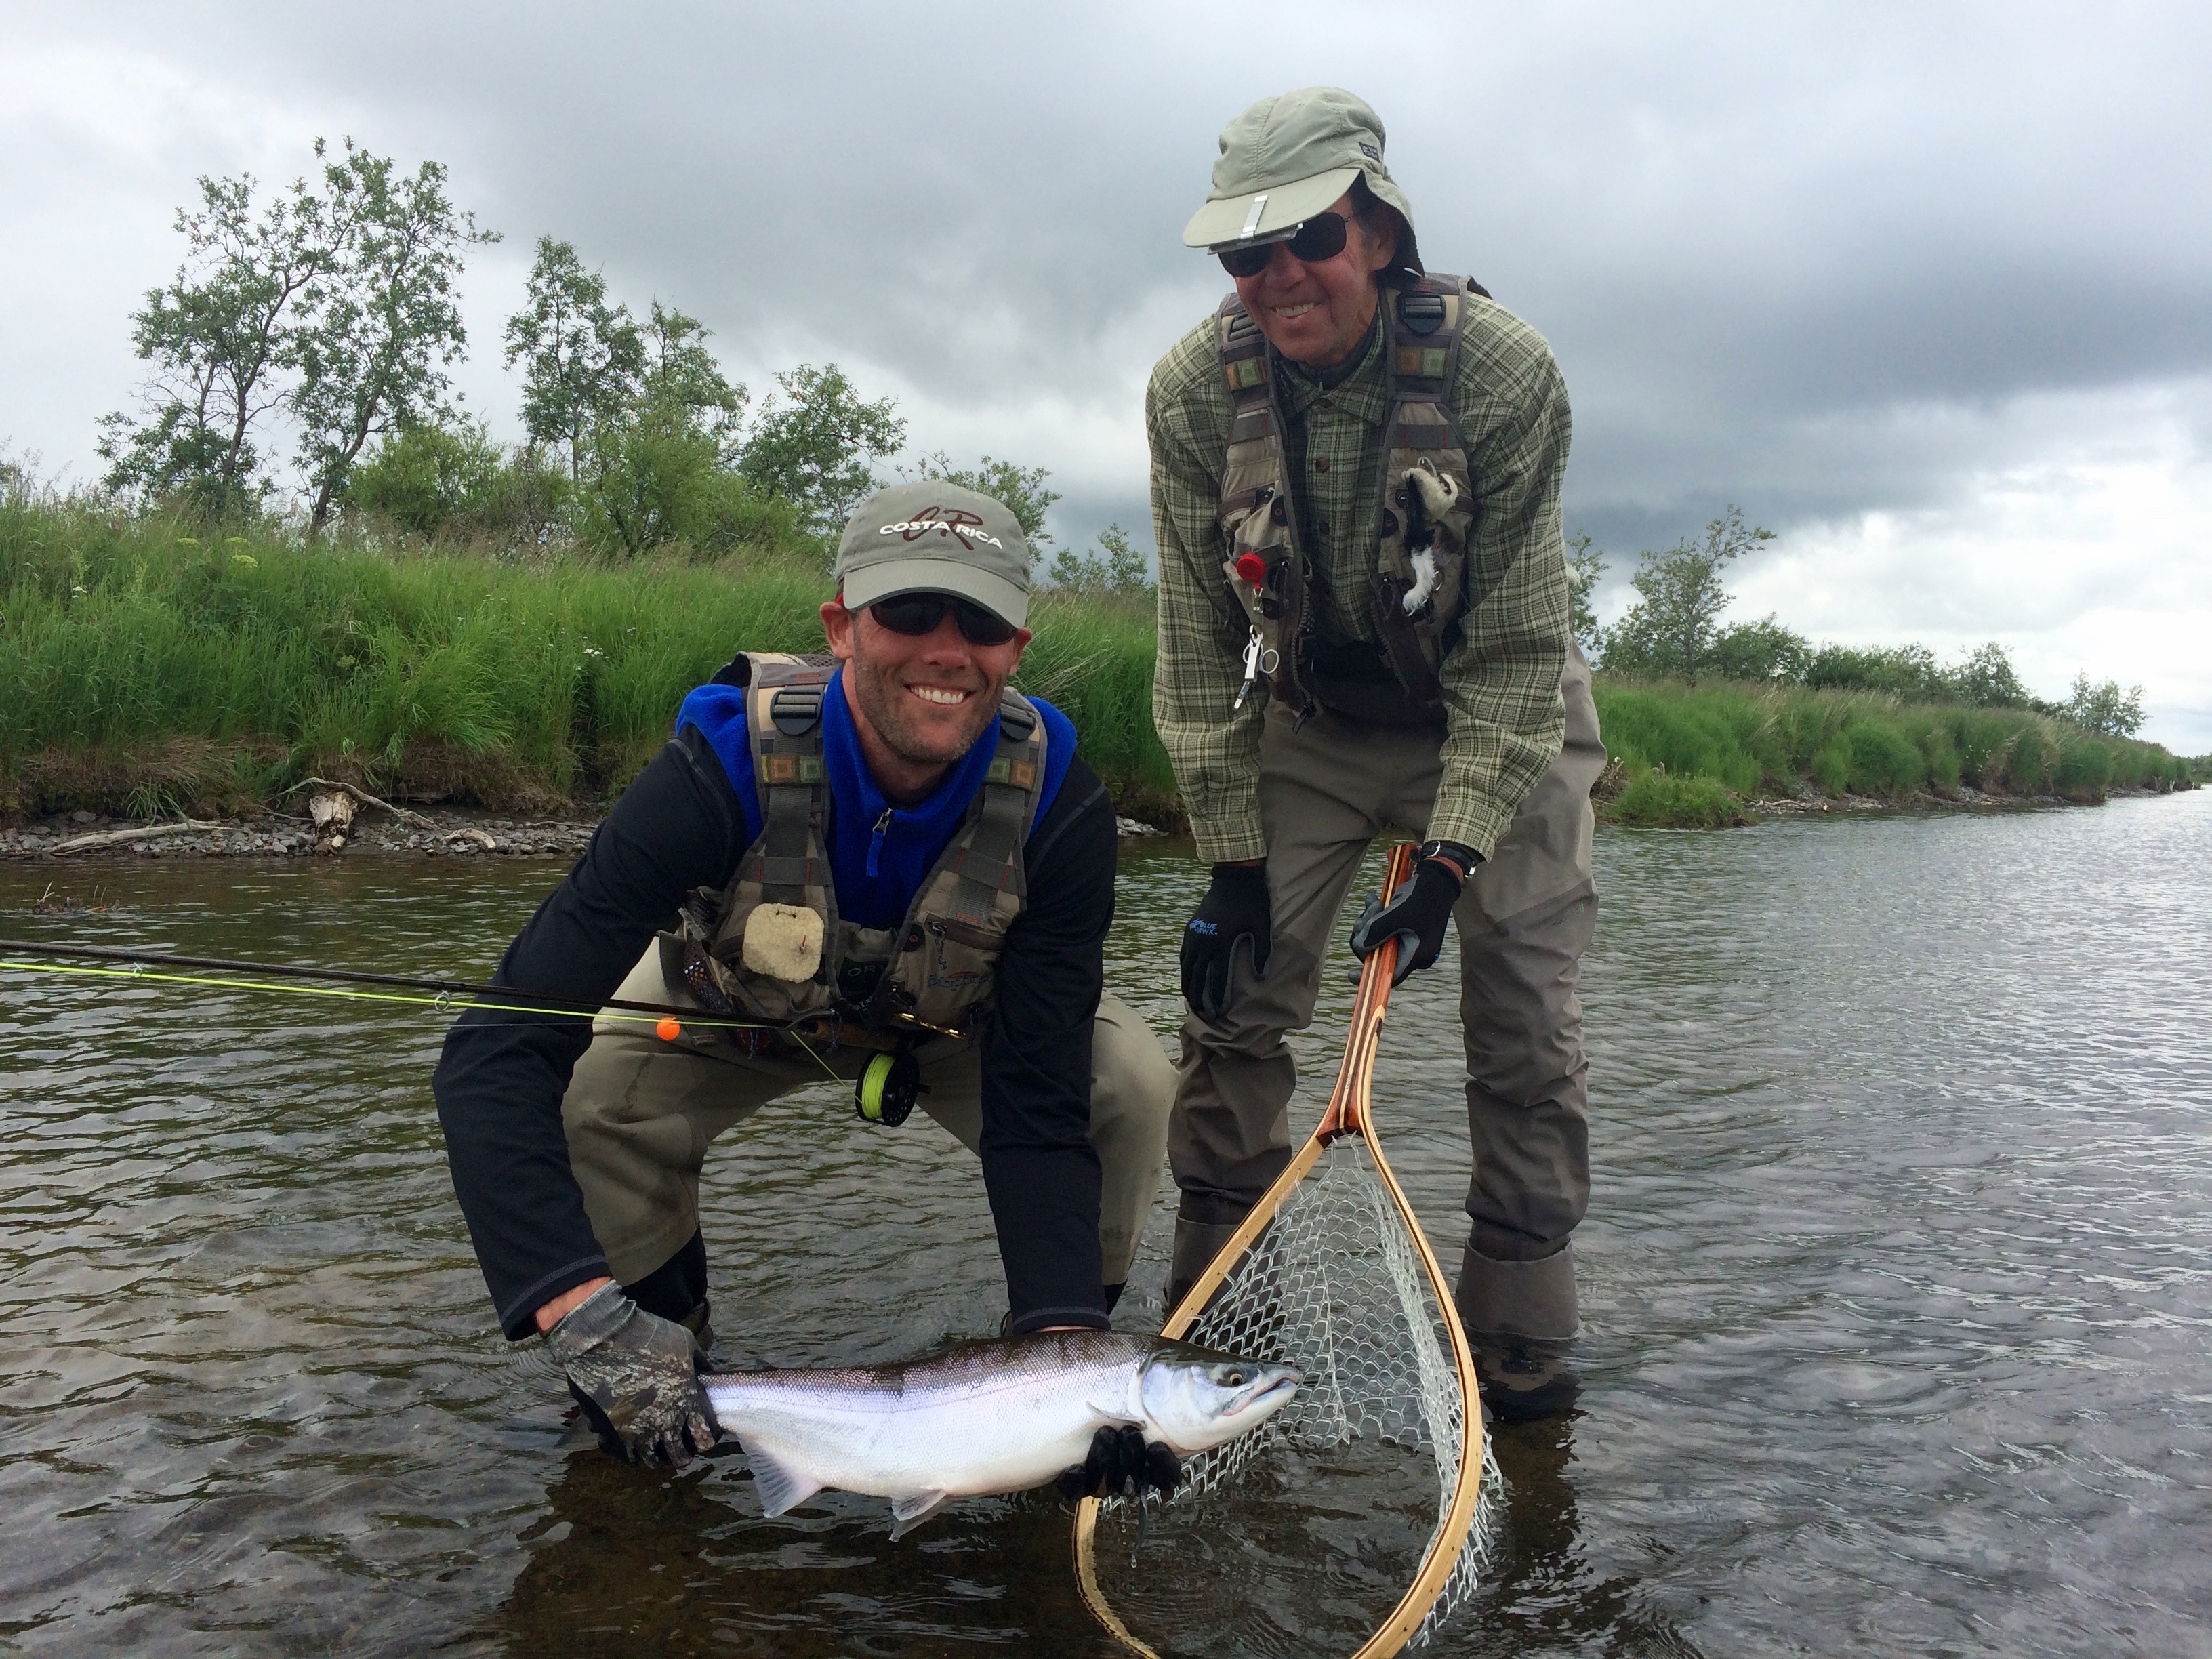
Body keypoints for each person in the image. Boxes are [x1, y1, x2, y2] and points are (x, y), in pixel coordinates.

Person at [434, 482, 1175, 1467]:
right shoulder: (720, 765)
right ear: (842, 628)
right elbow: (496, 1048)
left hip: (960, 1024)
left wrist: (1068, 1358)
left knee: (1125, 1085)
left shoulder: (1060, 801)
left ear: (1017, 648)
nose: (946, 650)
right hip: (737, 1009)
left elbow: (1039, 1102)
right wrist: (577, 1314)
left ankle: (1050, 1367)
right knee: (591, 1096)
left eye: (982, 621)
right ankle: (660, 1367)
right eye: (909, 612)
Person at [1149, 87, 1606, 1420]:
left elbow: (1520, 656)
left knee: (1525, 1028)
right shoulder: (1190, 393)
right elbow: (1192, 653)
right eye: (1246, 255)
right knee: (1229, 1007)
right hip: (1314, 719)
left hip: (1495, 710)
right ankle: (1218, 1324)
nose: (1278, 276)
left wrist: (1450, 862)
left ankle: (1519, 1347)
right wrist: (1231, 866)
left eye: (1309, 238)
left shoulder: (1506, 373)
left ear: (1382, 231)